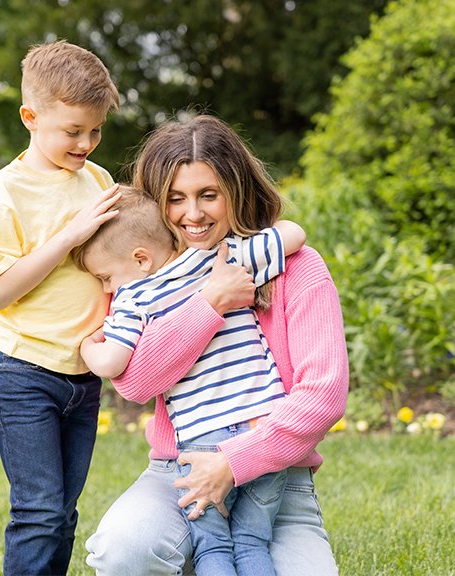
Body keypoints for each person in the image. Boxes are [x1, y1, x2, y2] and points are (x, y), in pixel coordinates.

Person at [84, 114, 349, 575]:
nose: (193, 214)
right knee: (122, 550)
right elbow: (137, 382)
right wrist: (210, 302)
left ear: (237, 190)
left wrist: (232, 463)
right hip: (179, 473)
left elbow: (323, 395)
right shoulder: (143, 279)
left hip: (277, 476)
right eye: (175, 199)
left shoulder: (297, 267)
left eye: (209, 195)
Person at [71, 186, 306, 575]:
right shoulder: (217, 259)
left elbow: (112, 363)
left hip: (202, 440)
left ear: (140, 259)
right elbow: (294, 234)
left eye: (106, 276)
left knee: (213, 547)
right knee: (251, 543)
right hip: (261, 426)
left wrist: (85, 346)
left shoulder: (134, 299)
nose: (106, 288)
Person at [0, 40, 123, 576]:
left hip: (82, 376)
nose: (86, 142)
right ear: (30, 117)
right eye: (73, 131)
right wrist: (69, 236)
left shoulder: (99, 181)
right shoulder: (9, 190)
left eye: (95, 130)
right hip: (23, 371)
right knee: (38, 512)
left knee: (62, 514)